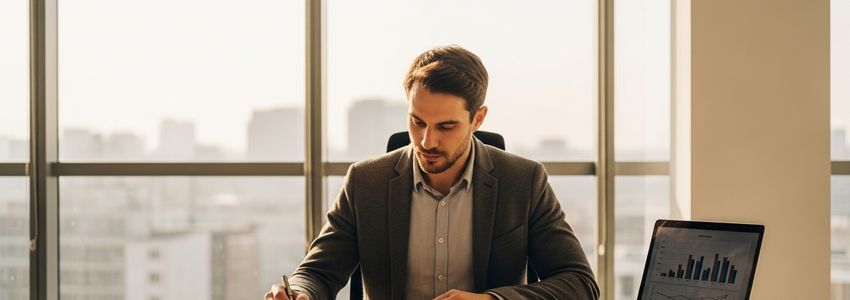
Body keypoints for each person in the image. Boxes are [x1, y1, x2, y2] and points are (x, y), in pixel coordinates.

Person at [265, 45, 599, 300]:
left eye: (446, 126)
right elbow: (318, 272)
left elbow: (579, 283)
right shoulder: (366, 182)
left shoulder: (523, 181)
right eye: (417, 121)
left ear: (478, 119)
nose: (427, 140)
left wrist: (491, 299)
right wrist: (299, 292)